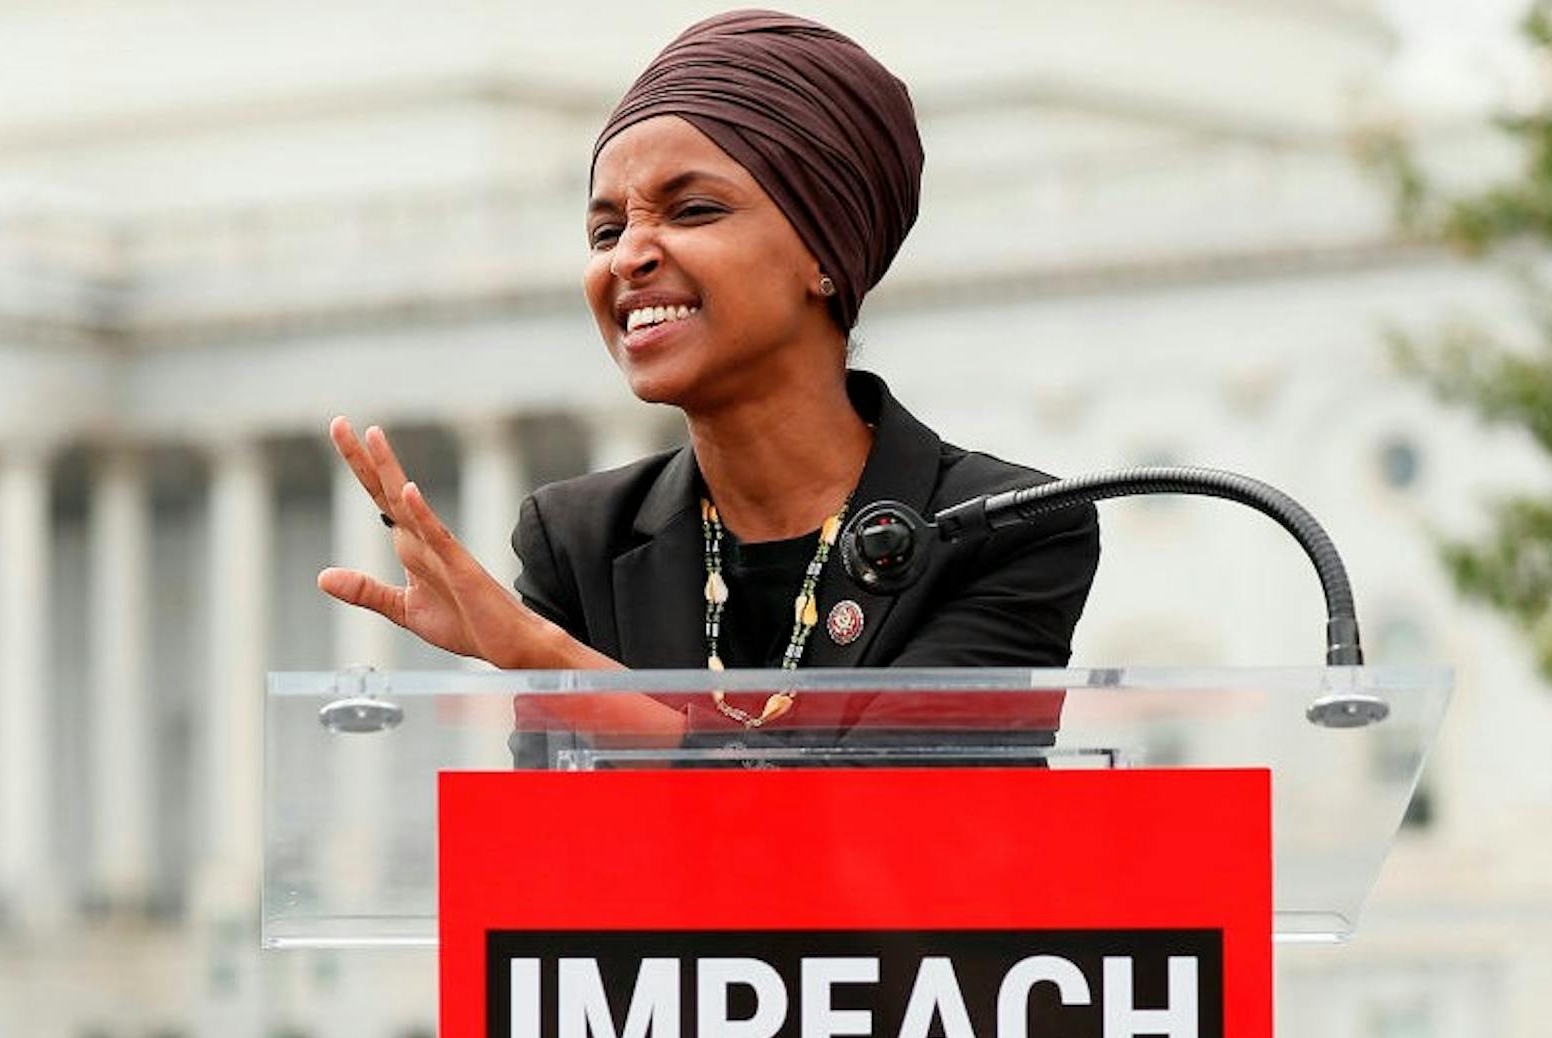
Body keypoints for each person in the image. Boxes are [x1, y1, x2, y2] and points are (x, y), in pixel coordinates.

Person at [319, 9, 1099, 729]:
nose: (628, 256)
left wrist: (541, 655)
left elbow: (885, 815)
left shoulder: (1007, 528)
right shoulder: (577, 542)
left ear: (826, 252)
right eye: (605, 231)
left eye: (693, 210)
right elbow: (558, 825)